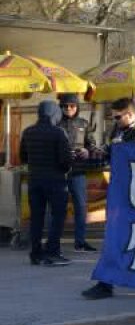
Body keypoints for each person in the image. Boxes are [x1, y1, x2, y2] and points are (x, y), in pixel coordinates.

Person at [82, 98, 135, 299]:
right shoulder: (119, 130)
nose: (115, 121)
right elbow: (110, 152)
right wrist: (94, 152)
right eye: (113, 117)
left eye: (118, 117)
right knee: (115, 237)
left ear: (130, 114)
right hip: (120, 191)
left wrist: (125, 149)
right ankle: (106, 283)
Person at [20, 100, 73, 267]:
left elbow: (23, 157)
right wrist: (66, 167)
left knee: (36, 217)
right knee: (57, 216)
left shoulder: (28, 132)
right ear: (54, 114)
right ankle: (52, 251)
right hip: (55, 181)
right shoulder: (58, 132)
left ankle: (36, 253)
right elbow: (65, 160)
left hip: (34, 180)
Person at [57, 93, 98, 252]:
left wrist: (87, 151)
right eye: (65, 106)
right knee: (58, 208)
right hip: (59, 172)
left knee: (81, 207)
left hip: (78, 171)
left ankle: (80, 242)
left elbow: (92, 144)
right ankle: (54, 243)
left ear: (77, 107)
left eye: (72, 106)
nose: (68, 108)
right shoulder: (55, 123)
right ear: (60, 107)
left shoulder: (83, 123)